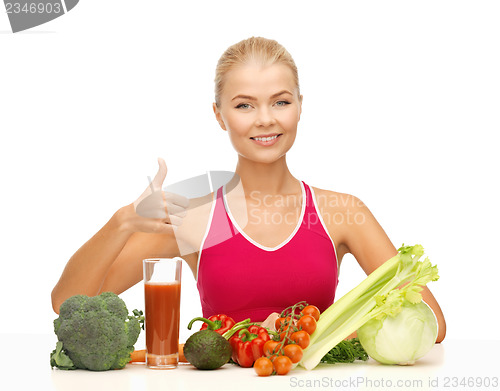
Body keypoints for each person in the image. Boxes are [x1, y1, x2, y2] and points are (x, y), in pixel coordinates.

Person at [51, 36, 446, 342]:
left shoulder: (340, 212)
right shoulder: (195, 218)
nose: (265, 120)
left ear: (300, 107)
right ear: (219, 115)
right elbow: (67, 304)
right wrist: (120, 223)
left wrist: (311, 335)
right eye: (243, 106)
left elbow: (431, 321)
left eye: (280, 102)